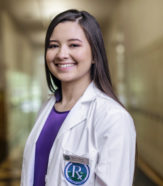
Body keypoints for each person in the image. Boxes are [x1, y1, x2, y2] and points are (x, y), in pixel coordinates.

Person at [21, 9, 136, 186]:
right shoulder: (46, 109)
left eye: (74, 45)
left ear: (95, 55)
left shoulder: (113, 118)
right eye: (53, 45)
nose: (61, 54)